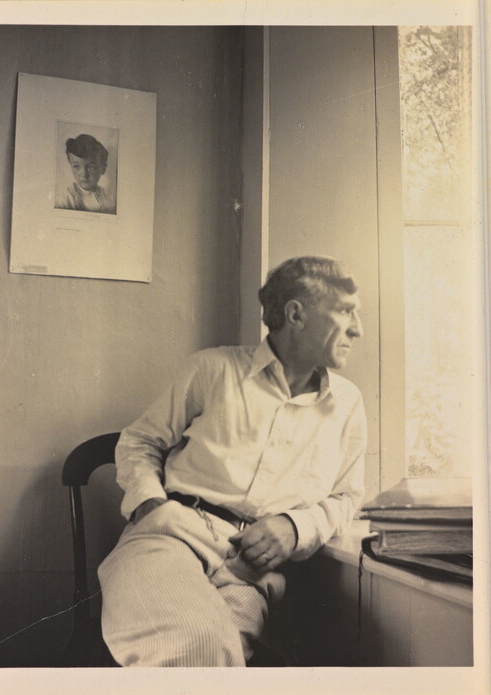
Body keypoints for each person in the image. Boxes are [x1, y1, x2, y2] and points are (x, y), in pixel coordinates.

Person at [98, 256, 366, 667]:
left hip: (252, 570)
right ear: (296, 314)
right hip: (172, 538)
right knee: (200, 645)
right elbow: (140, 440)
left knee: (216, 662)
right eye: (346, 311)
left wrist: (295, 527)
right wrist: (151, 504)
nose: (357, 329)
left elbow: (346, 497)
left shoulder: (347, 403)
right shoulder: (213, 369)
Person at [55, 133, 116, 214]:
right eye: (76, 166)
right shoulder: (65, 199)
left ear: (103, 169)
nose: (84, 174)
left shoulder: (109, 199)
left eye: (91, 167)